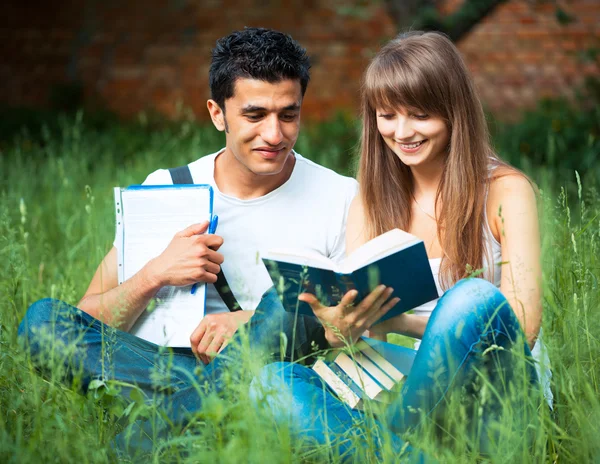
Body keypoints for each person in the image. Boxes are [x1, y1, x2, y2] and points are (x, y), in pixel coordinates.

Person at [18, 27, 357, 450]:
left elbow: (350, 331)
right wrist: (154, 275)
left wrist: (249, 325)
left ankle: (148, 438)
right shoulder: (167, 189)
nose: (274, 134)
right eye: (254, 116)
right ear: (218, 114)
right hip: (159, 364)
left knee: (285, 307)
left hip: (278, 372)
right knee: (41, 323)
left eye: (288, 115)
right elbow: (89, 320)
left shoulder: (341, 197)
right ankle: (208, 409)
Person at [251, 31, 552, 460]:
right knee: (270, 384)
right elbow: (365, 342)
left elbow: (523, 325)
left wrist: (402, 322)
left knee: (470, 298)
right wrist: (344, 328)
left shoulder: (506, 190)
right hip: (401, 380)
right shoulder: (369, 202)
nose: (402, 131)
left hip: (493, 393)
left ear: (454, 112)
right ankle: (412, 454)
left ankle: (391, 439)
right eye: (387, 115)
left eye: (420, 115)